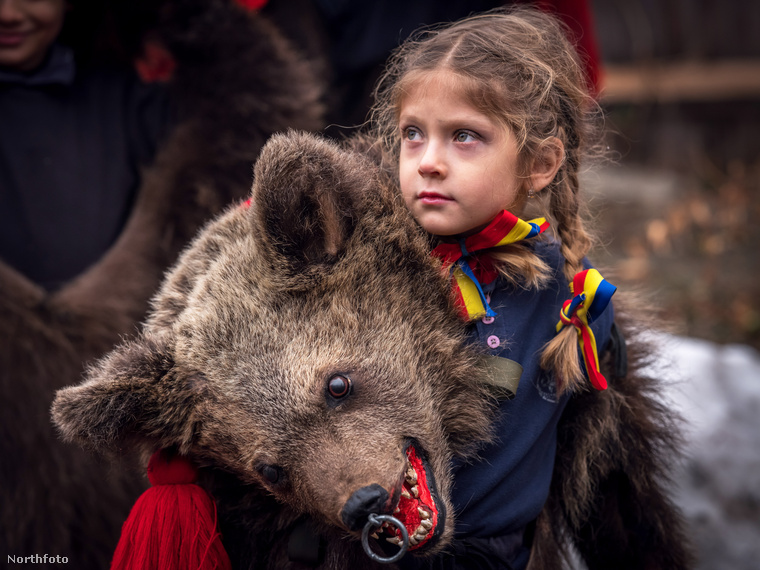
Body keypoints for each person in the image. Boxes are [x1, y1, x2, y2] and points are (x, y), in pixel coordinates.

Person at [366, 7, 616, 568]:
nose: (429, 162)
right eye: (413, 134)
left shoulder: (569, 295)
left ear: (540, 164)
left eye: (465, 137)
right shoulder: (367, 271)